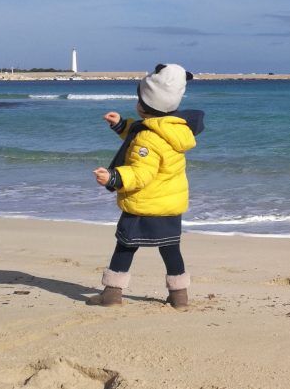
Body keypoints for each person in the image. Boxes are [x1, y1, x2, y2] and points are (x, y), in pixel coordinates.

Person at [88, 64, 205, 309]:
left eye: (139, 98)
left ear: (145, 105)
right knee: (171, 249)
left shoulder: (148, 138)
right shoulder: (172, 128)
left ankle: (111, 294)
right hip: (170, 204)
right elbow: (138, 131)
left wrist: (113, 178)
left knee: (125, 246)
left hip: (144, 204)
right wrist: (120, 124)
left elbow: (141, 173)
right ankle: (179, 296)